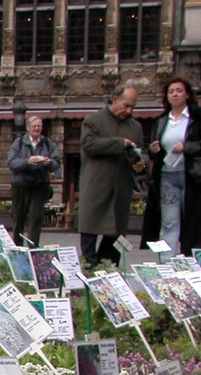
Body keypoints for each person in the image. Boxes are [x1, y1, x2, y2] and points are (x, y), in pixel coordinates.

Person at [79, 82, 148, 267]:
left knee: (116, 234)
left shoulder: (135, 127)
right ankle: (88, 269)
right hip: (96, 185)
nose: (129, 110)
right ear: (115, 99)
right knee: (89, 231)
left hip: (121, 188)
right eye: (126, 105)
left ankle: (108, 270)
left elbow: (141, 152)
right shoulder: (93, 120)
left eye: (133, 106)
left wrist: (142, 163)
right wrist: (119, 143)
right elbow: (88, 144)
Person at [143, 77, 201, 257]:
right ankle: (166, 265)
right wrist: (154, 150)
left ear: (187, 94)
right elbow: (155, 149)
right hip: (167, 175)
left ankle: (192, 266)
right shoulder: (161, 120)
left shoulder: (197, 117)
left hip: (192, 176)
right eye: (171, 91)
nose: (175, 94)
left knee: (192, 222)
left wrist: (187, 147)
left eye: (179, 90)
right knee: (169, 222)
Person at [7, 115, 61, 247]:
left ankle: (33, 248)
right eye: (34, 126)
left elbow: (57, 162)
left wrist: (49, 162)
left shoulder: (47, 143)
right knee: (19, 218)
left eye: (39, 126)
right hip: (21, 185)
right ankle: (18, 248)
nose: (37, 128)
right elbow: (11, 163)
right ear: (28, 128)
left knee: (36, 219)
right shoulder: (18, 143)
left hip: (39, 185)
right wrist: (27, 162)